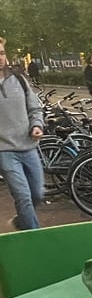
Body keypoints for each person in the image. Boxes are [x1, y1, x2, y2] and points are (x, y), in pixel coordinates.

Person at [0, 37, 45, 230]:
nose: (0, 57)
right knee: (23, 197)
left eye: (2, 53)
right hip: (4, 151)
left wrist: (37, 125)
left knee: (38, 194)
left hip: (28, 146)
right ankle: (36, 239)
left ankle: (22, 221)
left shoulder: (19, 79)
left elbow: (35, 109)